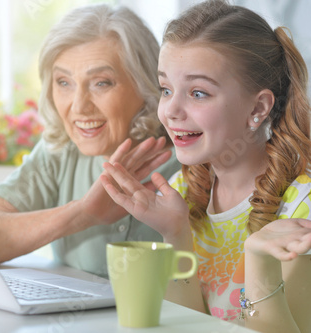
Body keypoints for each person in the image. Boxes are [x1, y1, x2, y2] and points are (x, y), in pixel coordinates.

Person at [101, 0, 311, 332]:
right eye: (166, 89)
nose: (170, 110)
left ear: (258, 108)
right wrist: (175, 232)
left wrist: (259, 262)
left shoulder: (302, 207)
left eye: (198, 93)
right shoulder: (185, 190)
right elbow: (186, 324)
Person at [0, 4, 181, 277]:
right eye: (64, 82)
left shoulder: (187, 160)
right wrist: (82, 214)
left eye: (101, 82)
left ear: (144, 83)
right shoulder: (60, 152)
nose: (79, 106)